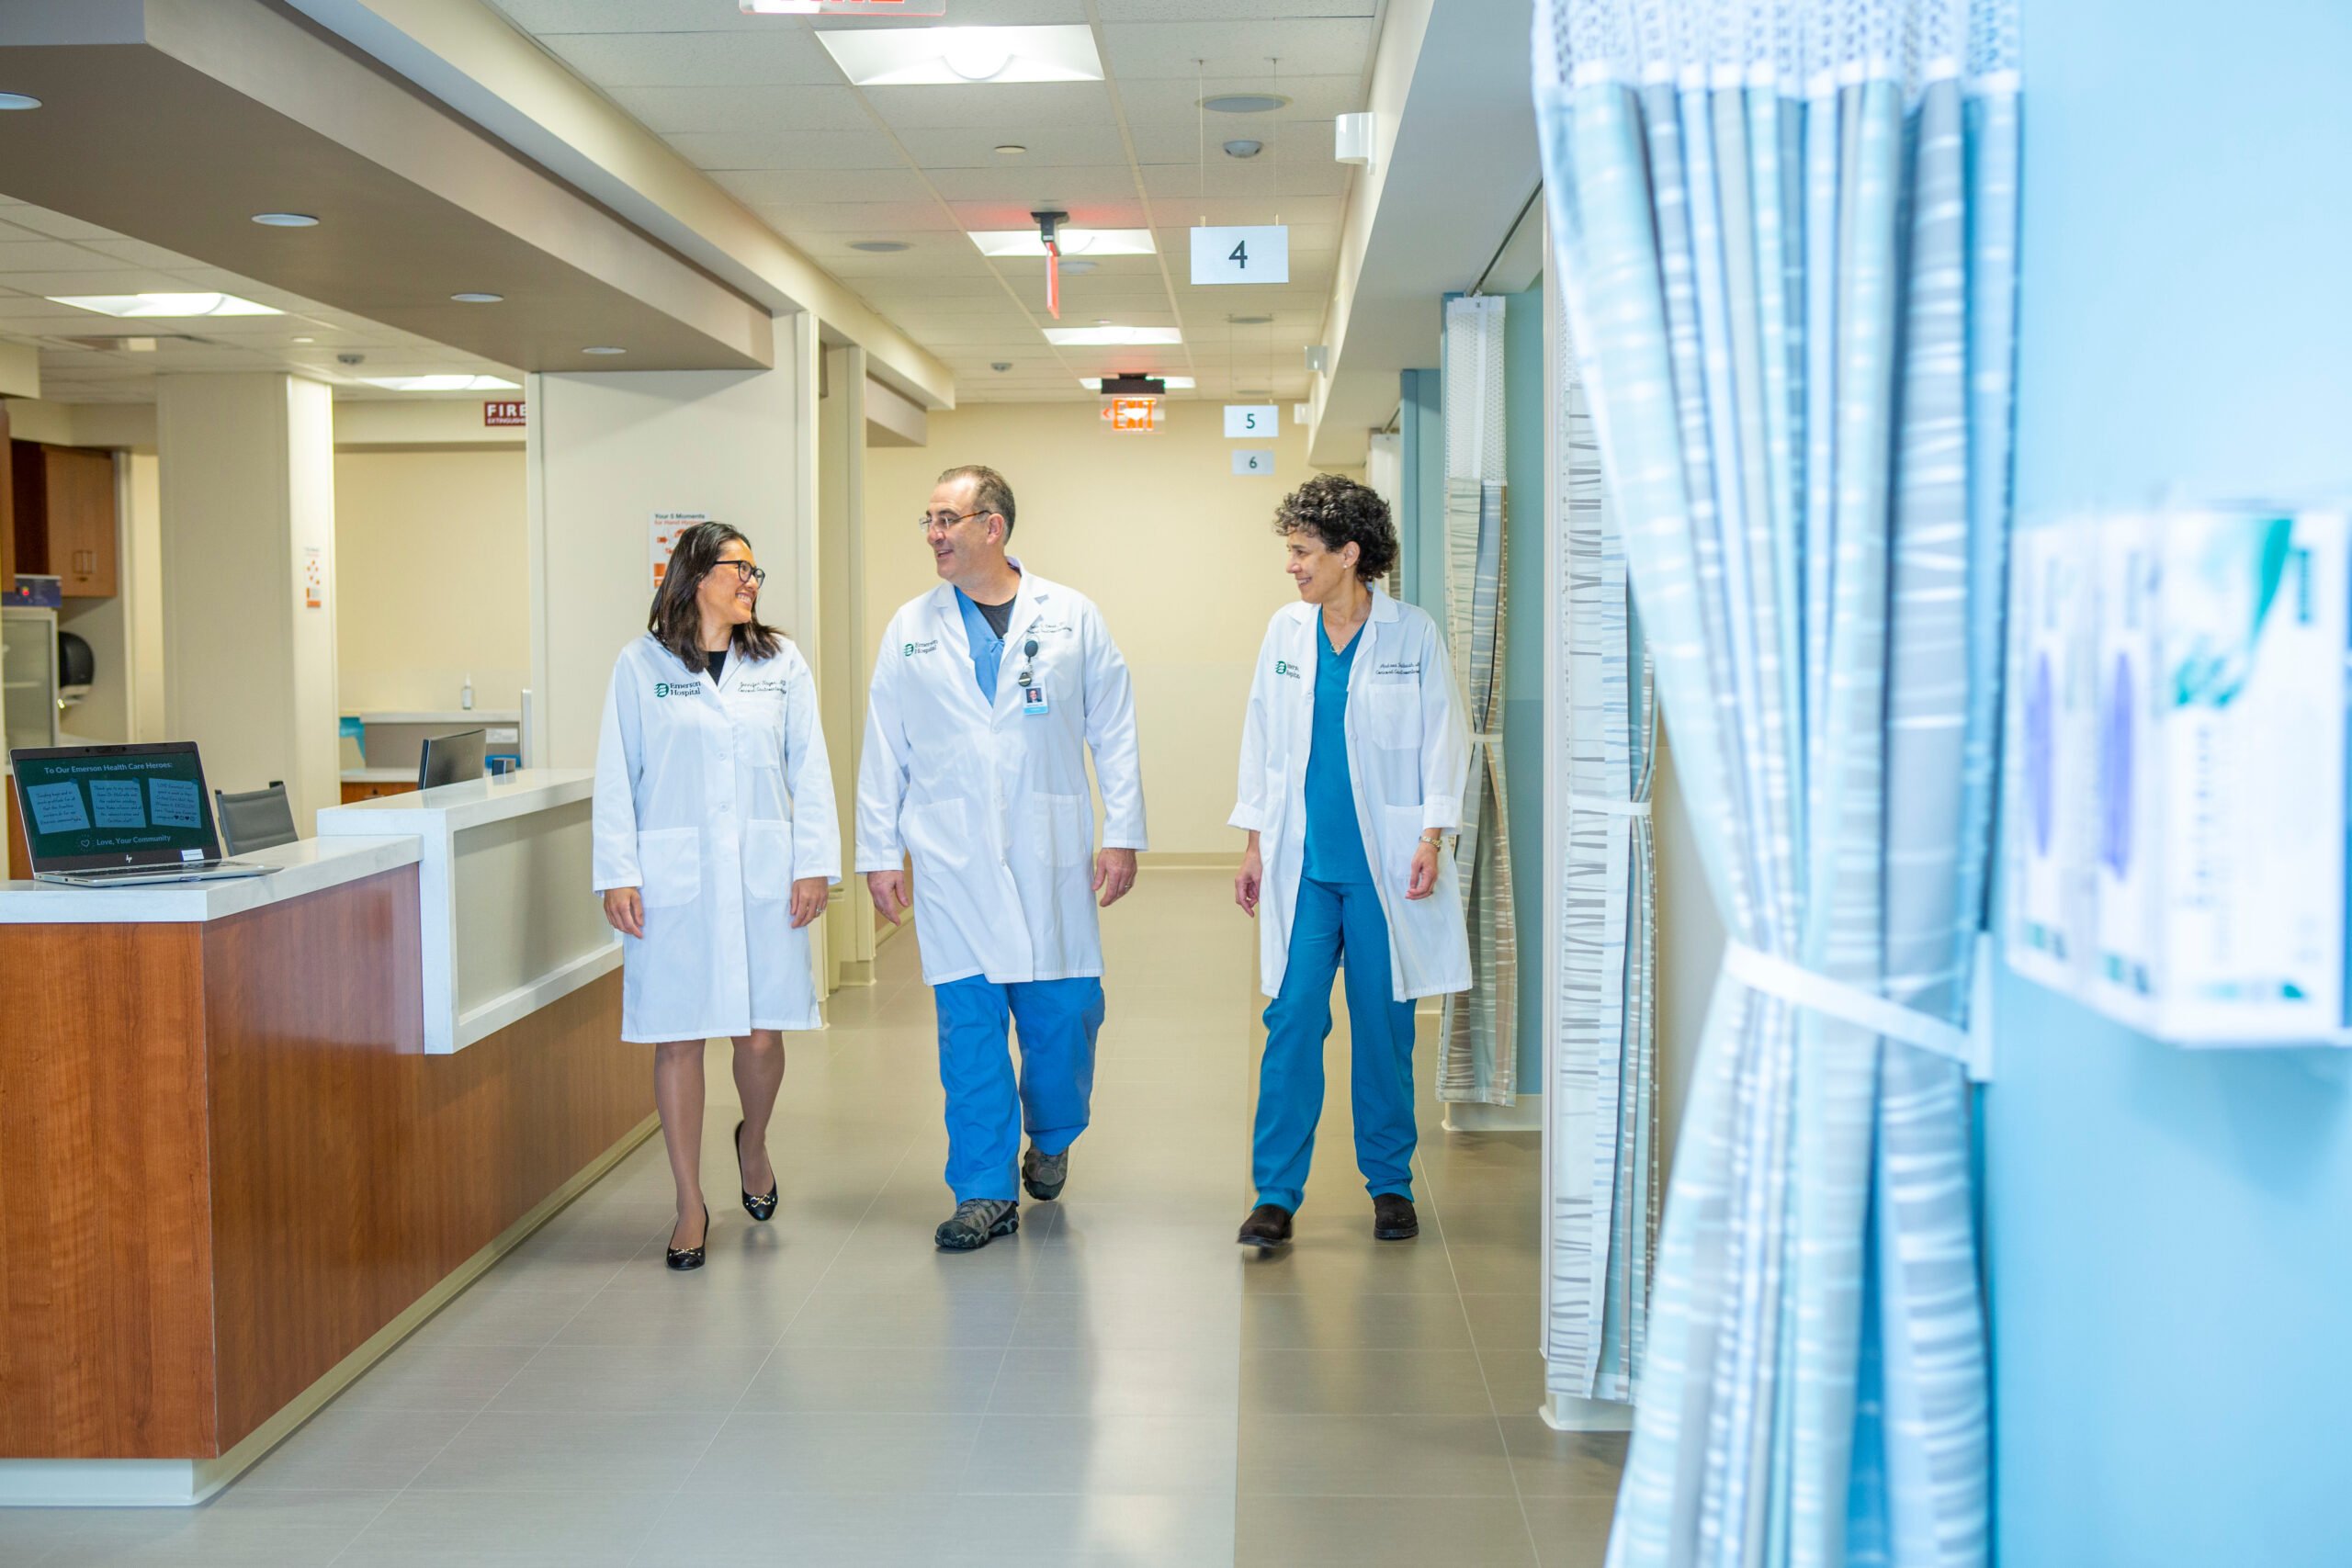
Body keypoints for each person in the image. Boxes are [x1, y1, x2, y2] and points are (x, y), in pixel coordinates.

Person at [856, 465, 1146, 1252]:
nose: (934, 535)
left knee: (1066, 1020)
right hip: (952, 860)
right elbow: (885, 746)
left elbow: (1112, 726)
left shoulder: (1071, 615)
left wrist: (1122, 831)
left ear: (994, 525)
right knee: (970, 1032)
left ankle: (1050, 1136)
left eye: (948, 518)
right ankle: (983, 1189)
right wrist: (880, 851)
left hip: (1049, 852)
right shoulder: (910, 627)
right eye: (927, 520)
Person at [1229, 475, 1471, 1249]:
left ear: (1349, 554)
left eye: (1303, 551)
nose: (1291, 565)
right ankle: (1275, 1193)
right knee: (1292, 1020)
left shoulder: (1412, 634)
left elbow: (1443, 738)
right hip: (1305, 869)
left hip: (1385, 869)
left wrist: (1434, 835)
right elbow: (1263, 739)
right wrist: (1254, 842)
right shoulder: (1284, 634)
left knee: (1384, 1026)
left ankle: (1391, 1183)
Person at [592, 522, 838, 1271]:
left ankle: (752, 1142)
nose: (752, 581)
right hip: (675, 882)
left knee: (762, 1036)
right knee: (679, 1035)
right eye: (739, 568)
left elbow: (812, 768)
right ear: (695, 574)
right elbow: (616, 774)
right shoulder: (640, 667)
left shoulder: (781, 662)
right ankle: (689, 1200)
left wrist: (813, 864)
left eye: (756, 571)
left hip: (762, 876)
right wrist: (619, 871)